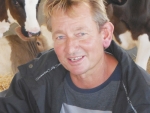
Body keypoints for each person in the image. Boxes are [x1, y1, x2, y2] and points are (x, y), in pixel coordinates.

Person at [0, 0, 150, 113]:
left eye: (81, 34)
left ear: (105, 34)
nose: (70, 49)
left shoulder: (142, 96)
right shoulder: (36, 77)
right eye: (60, 36)